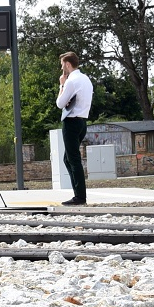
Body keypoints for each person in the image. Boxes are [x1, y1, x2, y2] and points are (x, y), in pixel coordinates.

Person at [56, 51, 94, 206]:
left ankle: (80, 197)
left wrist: (62, 84)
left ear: (67, 64)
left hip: (71, 123)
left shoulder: (71, 81)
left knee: (73, 159)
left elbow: (60, 103)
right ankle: (78, 193)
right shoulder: (86, 79)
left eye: (62, 65)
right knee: (68, 159)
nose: (61, 68)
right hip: (82, 122)